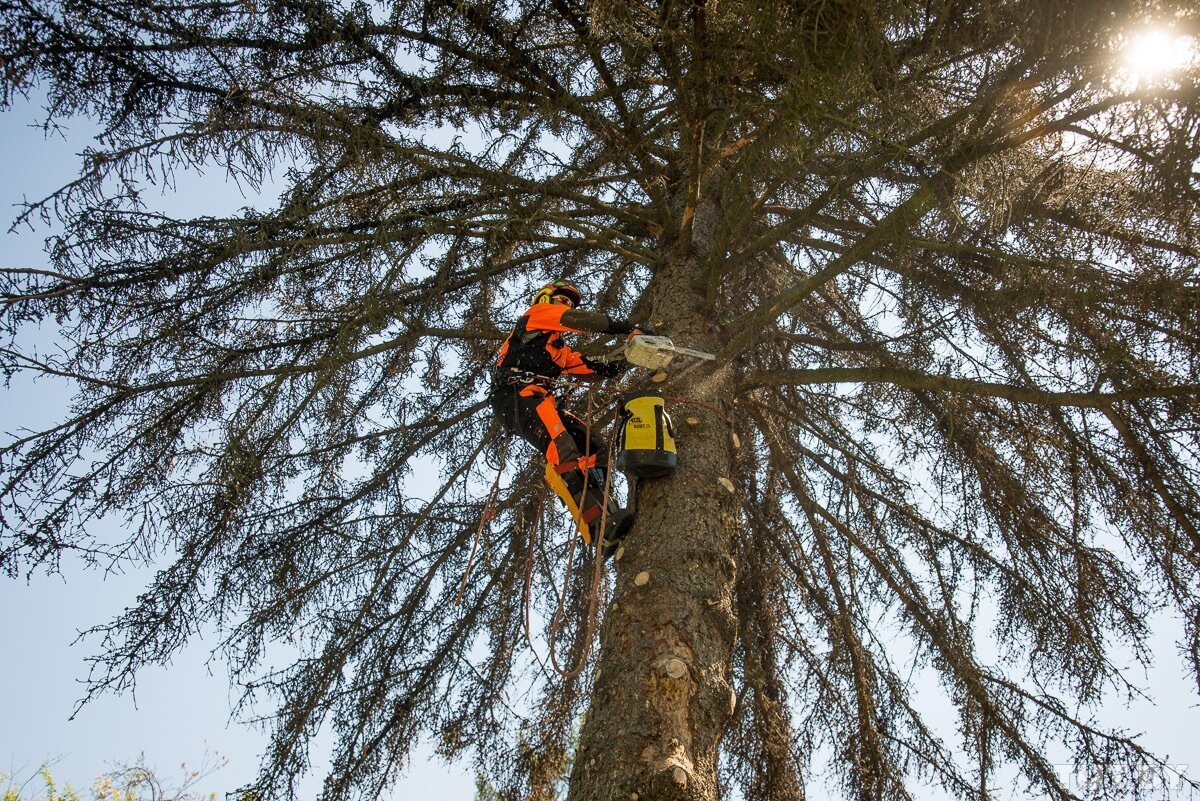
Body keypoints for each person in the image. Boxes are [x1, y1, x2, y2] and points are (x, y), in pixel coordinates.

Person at [490, 280, 648, 554]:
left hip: (540, 399)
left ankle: (606, 510)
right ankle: (596, 528)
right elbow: (578, 320)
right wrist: (628, 328)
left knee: (595, 447)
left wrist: (633, 357)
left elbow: (594, 369)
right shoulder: (535, 315)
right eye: (563, 300)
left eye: (571, 303)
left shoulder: (559, 351)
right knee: (563, 450)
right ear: (547, 298)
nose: (568, 306)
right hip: (517, 396)